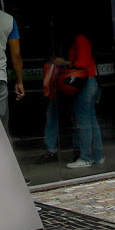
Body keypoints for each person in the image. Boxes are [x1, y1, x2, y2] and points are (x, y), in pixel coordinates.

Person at [44, 29, 103, 169]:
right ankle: (98, 155)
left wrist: (64, 63)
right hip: (90, 81)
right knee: (91, 120)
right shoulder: (84, 38)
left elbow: (82, 63)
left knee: (83, 121)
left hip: (84, 82)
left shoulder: (80, 38)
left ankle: (86, 158)